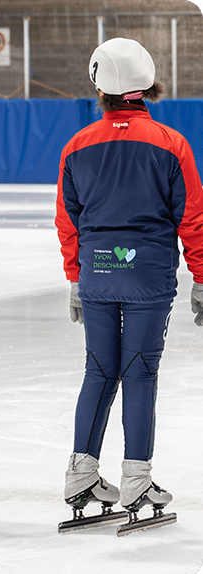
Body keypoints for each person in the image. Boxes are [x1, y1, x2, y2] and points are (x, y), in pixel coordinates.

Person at [56, 38, 203, 529]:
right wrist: (201, 278)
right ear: (148, 84)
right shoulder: (171, 144)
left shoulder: (76, 147)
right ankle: (137, 480)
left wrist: (77, 278)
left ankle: (82, 474)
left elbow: (68, 220)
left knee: (99, 370)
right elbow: (193, 220)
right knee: (139, 372)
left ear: (100, 88)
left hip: (98, 273)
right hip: (147, 276)